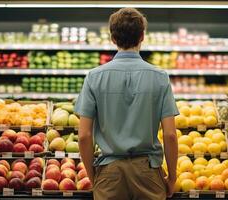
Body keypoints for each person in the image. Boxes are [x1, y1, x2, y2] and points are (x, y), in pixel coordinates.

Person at [75, 7, 178, 200]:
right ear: (142, 36)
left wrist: (93, 176)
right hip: (148, 171)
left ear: (113, 39)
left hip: (109, 173)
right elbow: (170, 135)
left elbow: (83, 136)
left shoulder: (94, 77)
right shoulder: (160, 77)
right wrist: (172, 178)